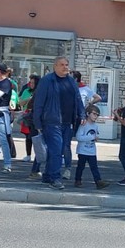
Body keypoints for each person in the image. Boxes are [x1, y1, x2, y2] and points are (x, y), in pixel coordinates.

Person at [31, 56, 84, 190]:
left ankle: (47, 175)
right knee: (56, 150)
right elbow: (39, 103)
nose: (65, 67)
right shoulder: (47, 81)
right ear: (55, 66)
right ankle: (55, 178)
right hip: (52, 121)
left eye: (67, 64)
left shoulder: (71, 82)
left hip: (67, 122)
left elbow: (78, 99)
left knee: (59, 150)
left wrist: (82, 114)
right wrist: (37, 123)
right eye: (62, 65)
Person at [73, 105, 109, 189]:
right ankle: (77, 180)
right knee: (80, 166)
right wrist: (92, 137)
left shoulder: (95, 126)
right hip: (83, 150)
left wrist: (95, 138)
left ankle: (98, 181)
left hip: (92, 150)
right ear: (88, 114)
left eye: (97, 115)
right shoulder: (83, 125)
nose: (95, 116)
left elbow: (96, 134)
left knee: (94, 167)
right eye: (94, 114)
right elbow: (79, 137)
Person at [16, 75, 39, 162]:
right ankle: (28, 154)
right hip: (27, 115)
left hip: (36, 115)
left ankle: (38, 155)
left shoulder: (40, 91)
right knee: (28, 136)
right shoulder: (26, 91)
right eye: (31, 82)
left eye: (33, 83)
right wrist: (29, 99)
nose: (31, 84)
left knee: (36, 136)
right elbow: (20, 103)